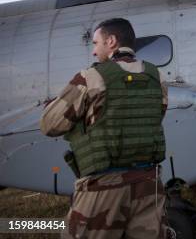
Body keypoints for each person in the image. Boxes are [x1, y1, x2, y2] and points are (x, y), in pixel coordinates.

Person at [40, 18, 168, 239]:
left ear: (111, 41)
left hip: (105, 186)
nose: (93, 51)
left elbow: (49, 125)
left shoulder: (91, 76)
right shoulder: (157, 77)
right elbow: (156, 116)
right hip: (149, 184)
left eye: (95, 42)